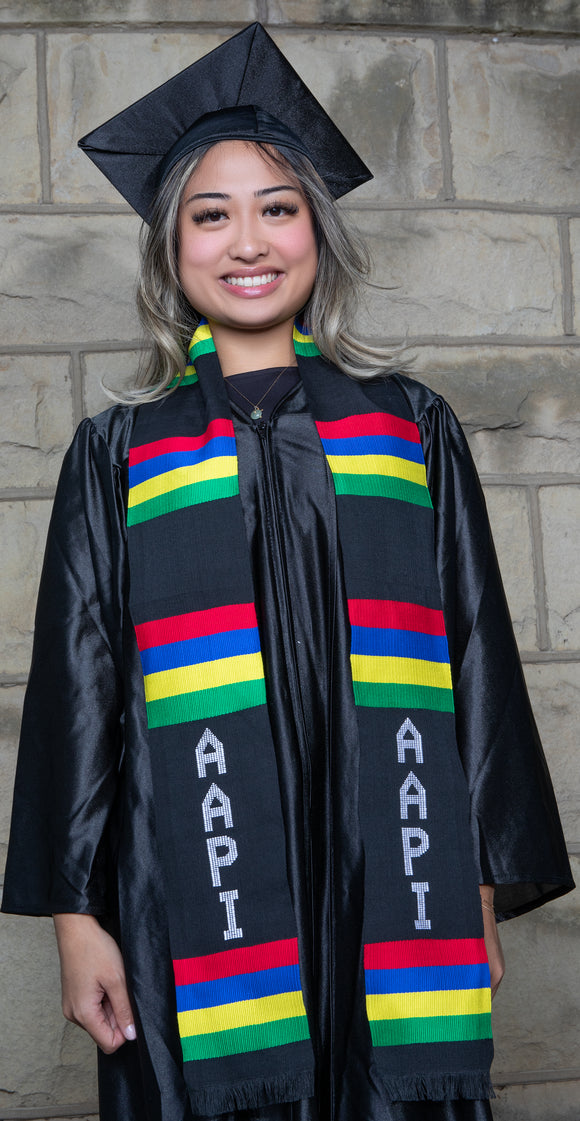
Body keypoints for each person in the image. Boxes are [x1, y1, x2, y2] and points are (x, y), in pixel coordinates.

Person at [1, 22, 573, 1121]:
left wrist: (473, 887)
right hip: (186, 877)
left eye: (277, 207)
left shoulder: (409, 428)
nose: (247, 241)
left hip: (388, 859)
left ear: (318, 231)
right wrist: (76, 916)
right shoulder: (118, 452)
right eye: (210, 215)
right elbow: (79, 690)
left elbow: (475, 654)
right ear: (171, 248)